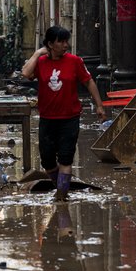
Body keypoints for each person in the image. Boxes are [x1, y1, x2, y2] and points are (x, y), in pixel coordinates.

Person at [21, 26, 106, 201]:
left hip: (70, 118)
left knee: (66, 159)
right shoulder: (42, 62)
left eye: (66, 41)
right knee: (47, 162)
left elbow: (89, 82)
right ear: (51, 44)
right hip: (47, 118)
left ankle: (61, 197)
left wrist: (99, 105)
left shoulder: (75, 61)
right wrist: (37, 53)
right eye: (61, 41)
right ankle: (60, 185)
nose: (65, 45)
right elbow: (25, 73)